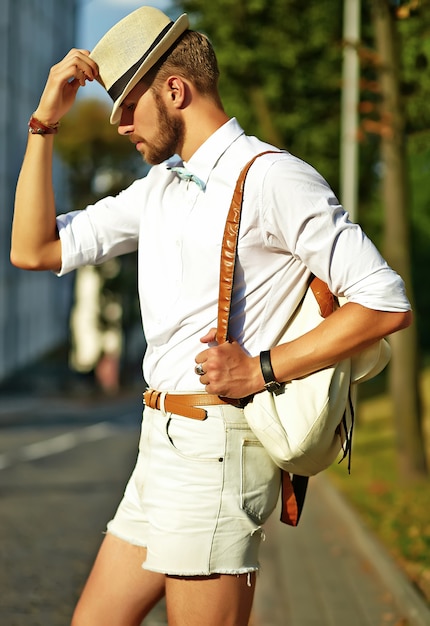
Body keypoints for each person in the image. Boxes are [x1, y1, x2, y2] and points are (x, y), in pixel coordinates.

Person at [11, 6, 412, 626]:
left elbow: (384, 300)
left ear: (175, 90)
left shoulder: (275, 177)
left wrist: (262, 369)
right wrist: (43, 125)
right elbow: (32, 249)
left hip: (217, 451)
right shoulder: (161, 188)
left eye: (126, 109)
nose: (120, 127)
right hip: (158, 443)